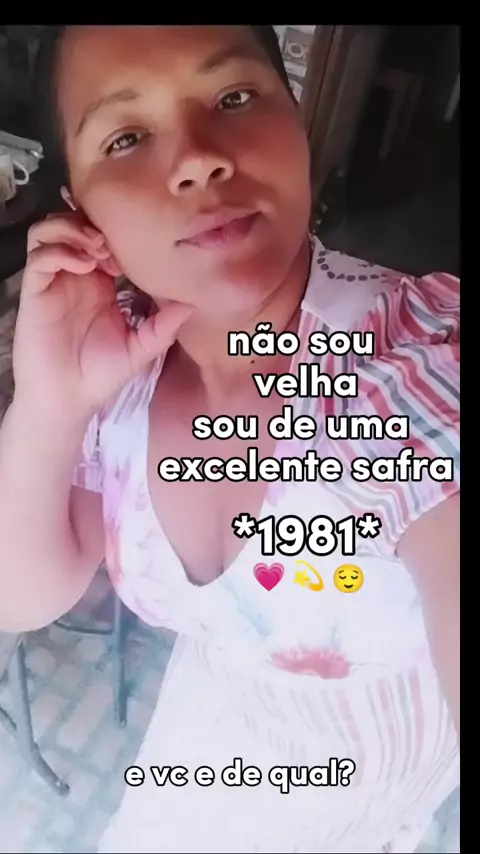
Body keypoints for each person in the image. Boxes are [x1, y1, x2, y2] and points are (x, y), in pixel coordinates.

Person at [0, 25, 459, 854]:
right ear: (79, 211)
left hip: (382, 776)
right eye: (126, 137)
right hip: (216, 740)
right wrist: (49, 403)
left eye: (234, 97)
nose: (197, 161)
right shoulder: (117, 374)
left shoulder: (410, 358)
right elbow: (22, 595)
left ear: (296, 121)